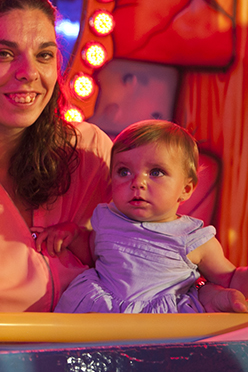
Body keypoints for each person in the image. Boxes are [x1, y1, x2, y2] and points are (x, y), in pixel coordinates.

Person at [0, 0, 248, 314]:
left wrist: (203, 290)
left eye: (44, 55)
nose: (28, 72)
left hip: (100, 354)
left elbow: (162, 248)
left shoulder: (89, 151)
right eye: (4, 53)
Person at [54, 120, 248, 313]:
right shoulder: (107, 219)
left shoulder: (192, 238)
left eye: (156, 172)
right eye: (124, 171)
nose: (138, 182)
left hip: (160, 322)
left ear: (186, 189)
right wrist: (73, 235)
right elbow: (92, 255)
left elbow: (228, 277)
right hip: (100, 310)